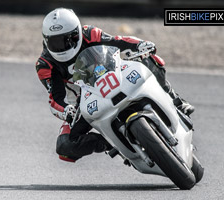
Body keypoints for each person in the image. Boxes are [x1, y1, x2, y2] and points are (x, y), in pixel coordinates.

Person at [35, 8, 194, 162]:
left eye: (67, 40)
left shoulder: (89, 33)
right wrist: (66, 111)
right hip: (84, 103)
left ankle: (175, 99)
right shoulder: (45, 64)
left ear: (77, 34)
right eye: (56, 42)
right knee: (64, 146)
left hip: (113, 76)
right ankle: (110, 141)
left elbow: (117, 41)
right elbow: (55, 99)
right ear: (46, 40)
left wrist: (139, 45)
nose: (62, 47)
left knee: (149, 58)